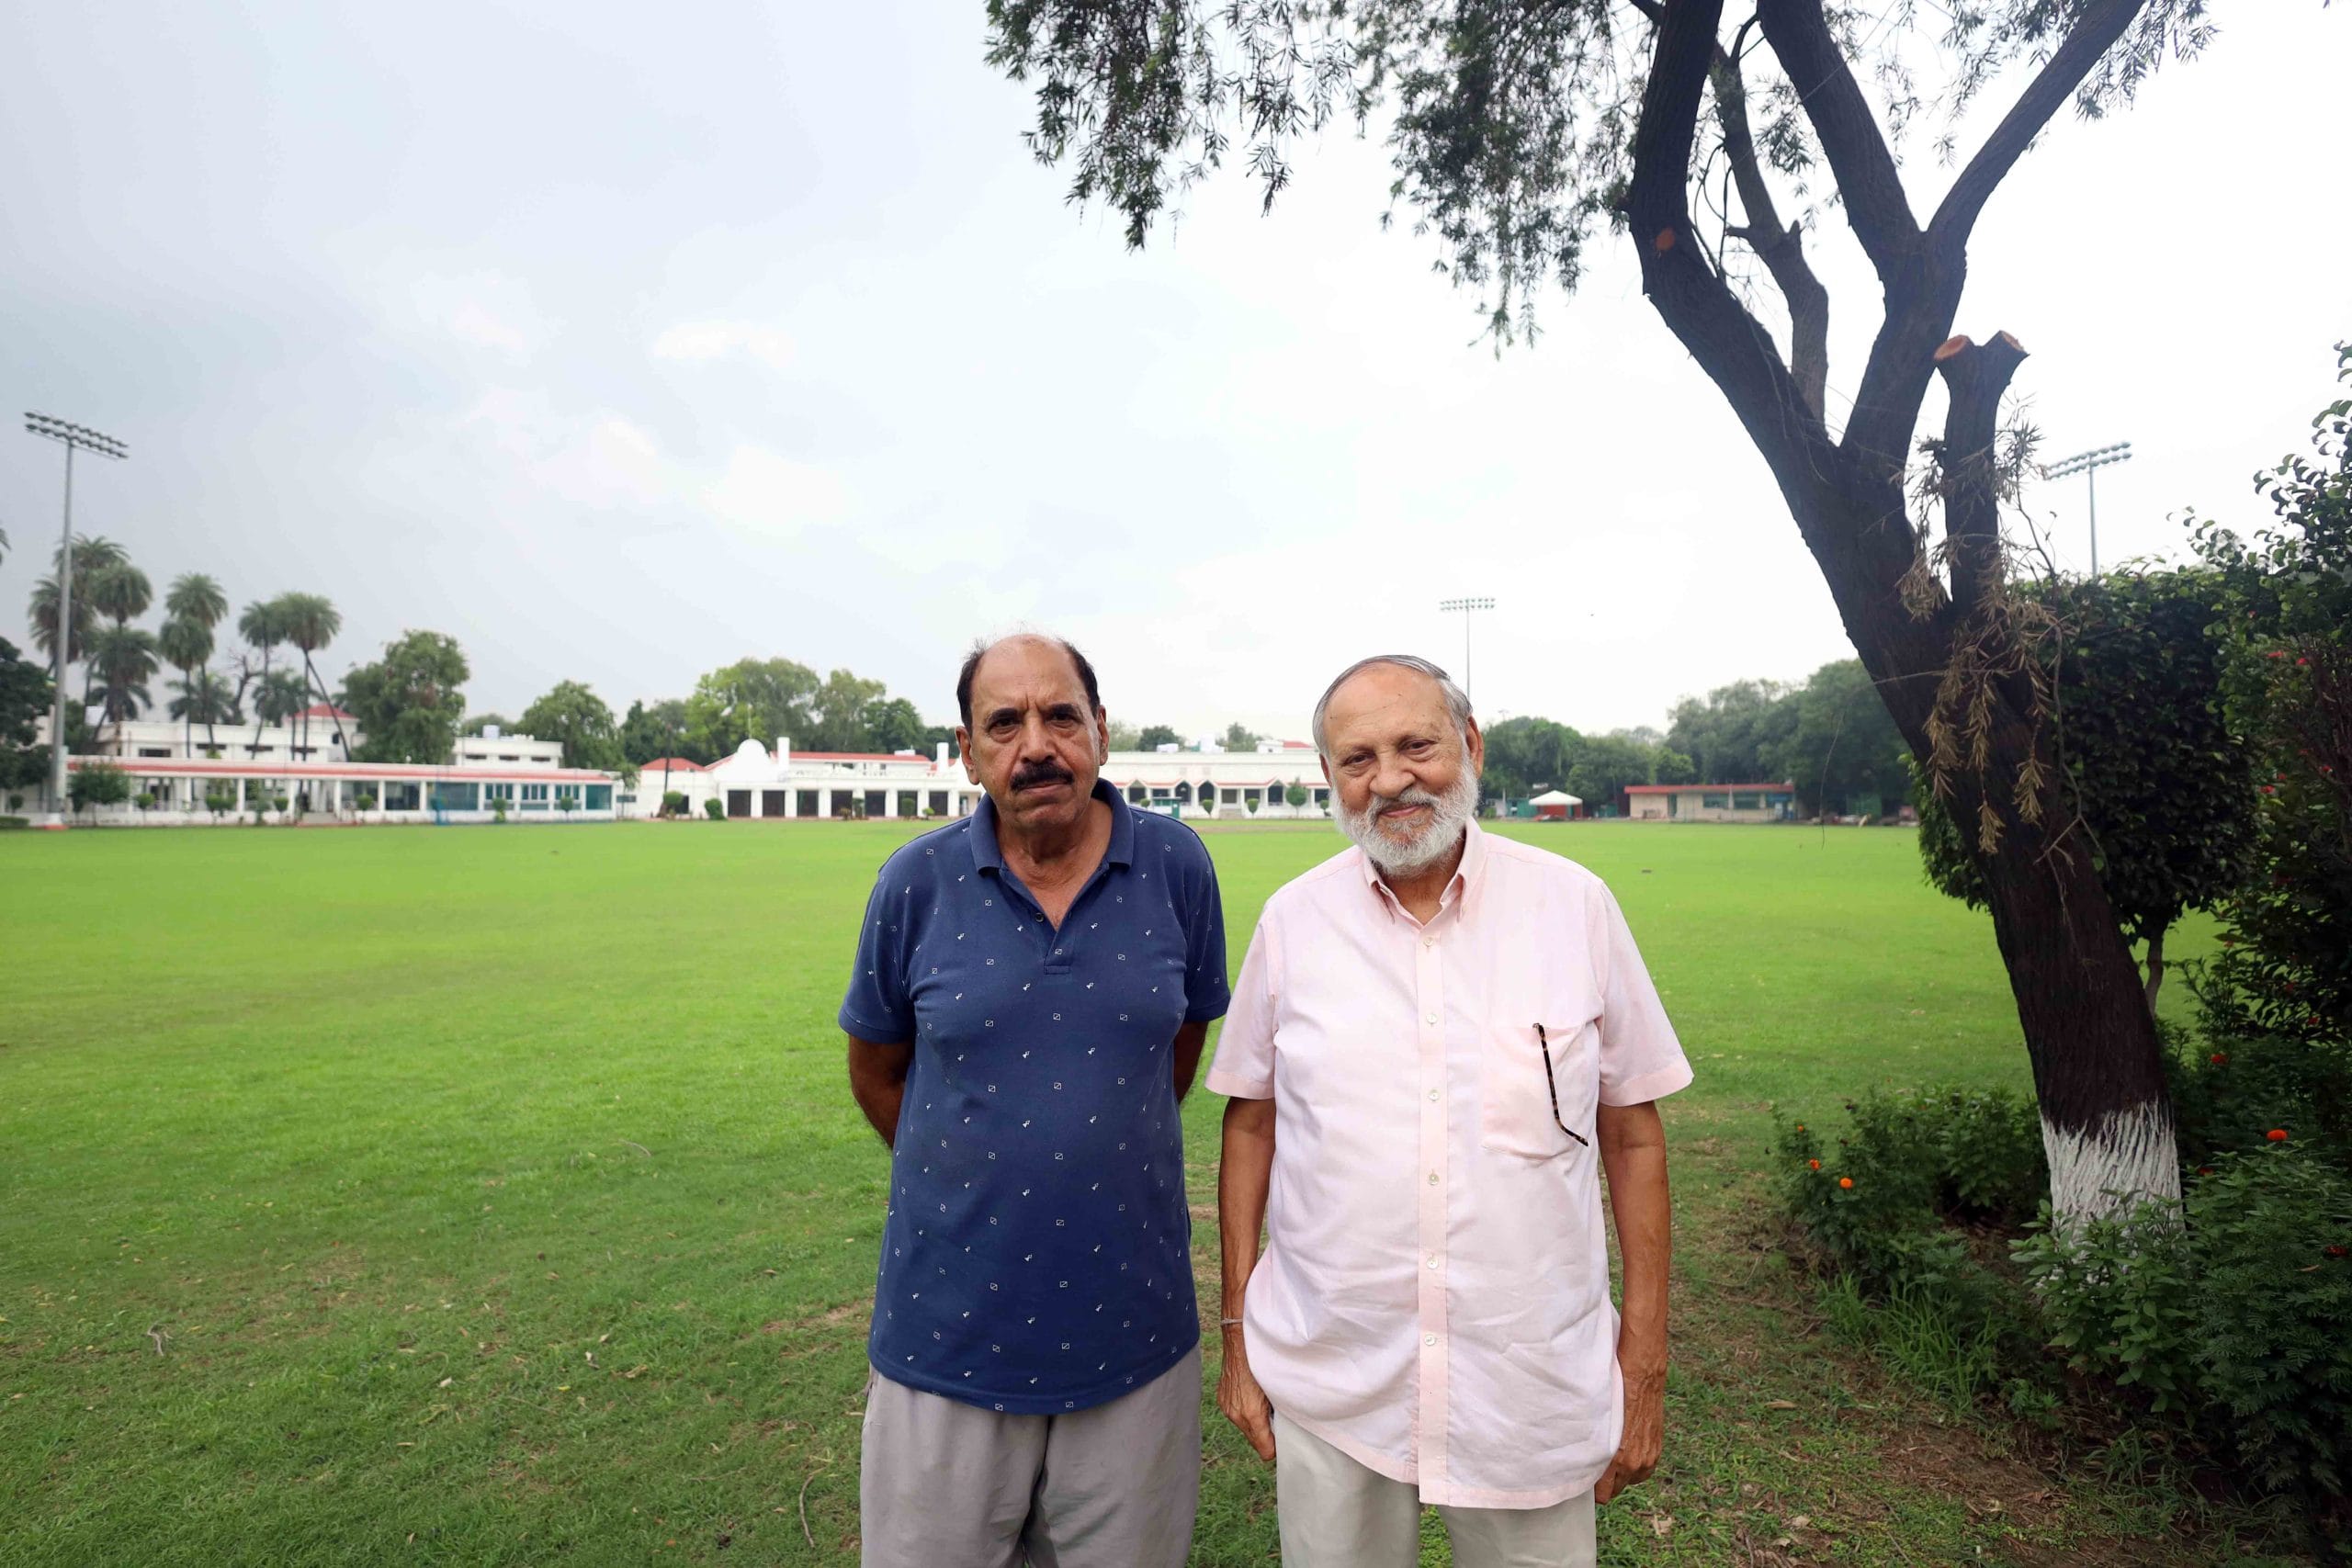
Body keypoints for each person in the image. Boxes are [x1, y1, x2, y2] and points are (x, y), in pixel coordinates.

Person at [1205, 653, 1690, 1568]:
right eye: (1356, 759)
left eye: (1414, 744)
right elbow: (1251, 1123)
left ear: (1467, 744)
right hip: (1334, 1374)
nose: (1389, 779)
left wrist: (1645, 1357)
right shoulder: (1292, 923)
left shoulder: (1573, 907)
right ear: (1330, 780)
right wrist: (1235, 1339)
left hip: (1527, 1383)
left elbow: (1631, 1133)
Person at [839, 633, 1230, 1568]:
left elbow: (1176, 1048)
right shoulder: (914, 883)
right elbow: (876, 1070)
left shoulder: (1177, 866)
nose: (1037, 745)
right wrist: (976, 1177)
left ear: (1101, 728)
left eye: (1060, 715)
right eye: (1003, 724)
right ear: (968, 752)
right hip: (946, 1332)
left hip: (1135, 1333)